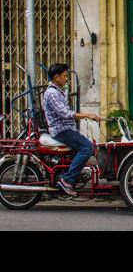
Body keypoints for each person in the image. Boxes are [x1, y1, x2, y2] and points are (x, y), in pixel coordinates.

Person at [42, 63, 103, 196]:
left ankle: (75, 175)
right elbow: (65, 113)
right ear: (56, 77)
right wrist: (88, 115)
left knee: (87, 147)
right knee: (87, 147)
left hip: (67, 128)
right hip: (61, 130)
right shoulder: (52, 93)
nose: (66, 79)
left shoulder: (59, 91)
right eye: (64, 76)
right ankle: (67, 180)